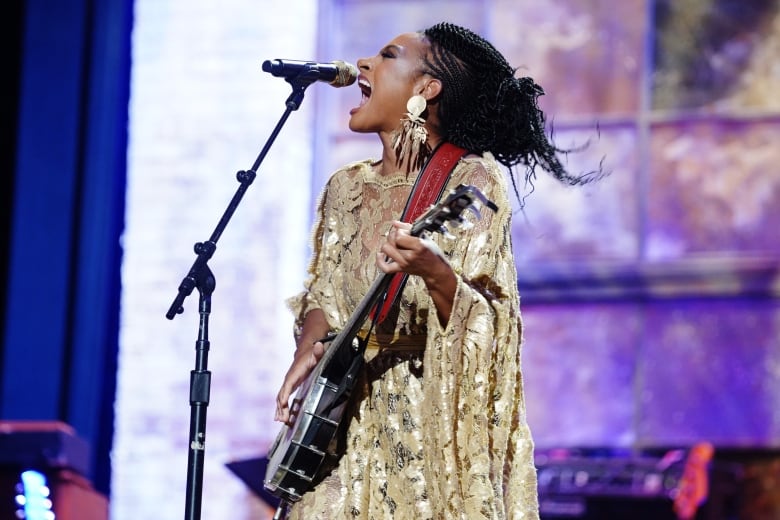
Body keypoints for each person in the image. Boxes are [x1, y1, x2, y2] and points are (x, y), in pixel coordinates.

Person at [274, 21, 598, 519]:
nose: (363, 64)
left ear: (426, 90)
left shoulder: (470, 179)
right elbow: (324, 291)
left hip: (418, 436)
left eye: (386, 56)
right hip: (338, 433)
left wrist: (434, 271)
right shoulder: (345, 188)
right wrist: (307, 348)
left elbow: (490, 318)